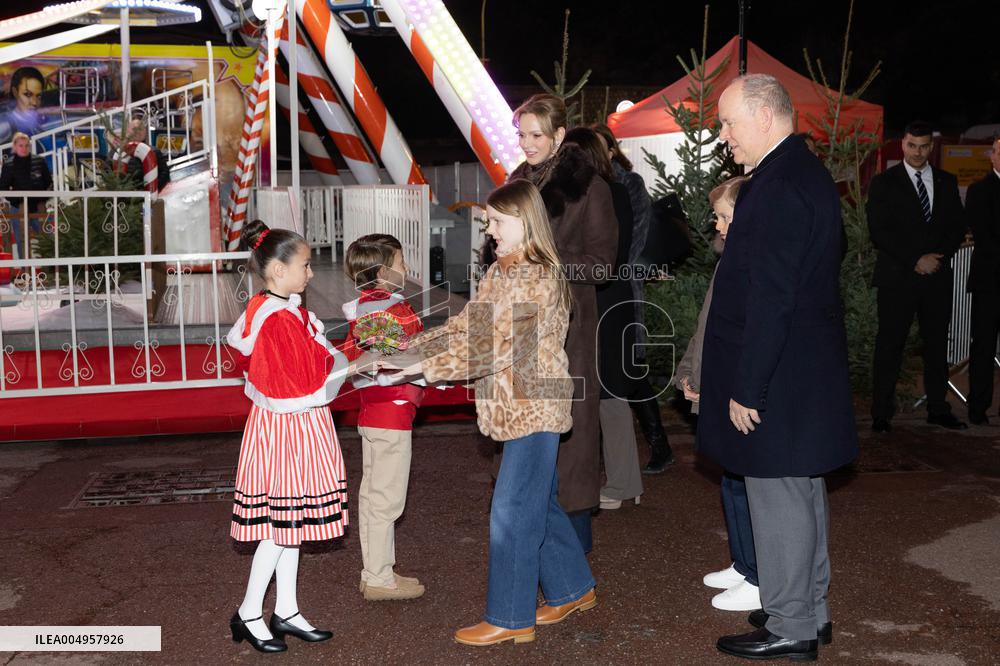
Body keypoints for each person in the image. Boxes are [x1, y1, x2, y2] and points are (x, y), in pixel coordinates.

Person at [380, 179, 596, 647]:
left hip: (532, 405)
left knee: (512, 512)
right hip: (517, 403)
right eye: (488, 221)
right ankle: (573, 589)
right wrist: (410, 350)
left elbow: (494, 347)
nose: (488, 229)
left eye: (497, 221)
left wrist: (420, 371)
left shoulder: (535, 277)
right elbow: (469, 327)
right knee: (537, 503)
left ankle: (512, 616)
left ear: (524, 221)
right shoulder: (503, 271)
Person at [699, 74, 858, 661]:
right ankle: (809, 614)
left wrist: (748, 385)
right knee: (801, 492)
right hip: (799, 370)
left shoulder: (779, 184)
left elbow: (772, 295)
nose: (723, 137)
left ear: (765, 117)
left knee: (779, 498)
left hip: (780, 375)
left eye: (729, 123)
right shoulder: (799, 174)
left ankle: (791, 625)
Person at [225, 220, 363, 654]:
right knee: (281, 525)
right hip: (291, 427)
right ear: (278, 270)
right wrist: (359, 357)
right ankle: (249, 611)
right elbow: (304, 376)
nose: (310, 273)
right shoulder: (279, 318)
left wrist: (354, 352)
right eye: (304, 265)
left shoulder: (277, 307)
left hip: (290, 425)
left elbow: (310, 361)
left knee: (291, 523)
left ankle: (285, 608)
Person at [508, 94, 618, 550]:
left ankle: (572, 555)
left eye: (536, 134)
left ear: (558, 136)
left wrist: (543, 259)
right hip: (521, 323)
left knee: (568, 440)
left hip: (568, 329)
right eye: (521, 134)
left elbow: (602, 264)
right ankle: (531, 539)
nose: (527, 143)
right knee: (526, 433)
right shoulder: (517, 181)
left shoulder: (589, 187)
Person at [673, 175, 761, 613]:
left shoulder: (748, 267)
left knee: (745, 484)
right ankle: (744, 564)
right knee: (731, 480)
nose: (717, 225)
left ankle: (759, 574)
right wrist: (689, 370)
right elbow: (706, 328)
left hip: (736, 389)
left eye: (723, 216)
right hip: (718, 381)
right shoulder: (727, 261)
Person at [340, 233, 427, 601]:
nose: (406, 269)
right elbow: (396, 356)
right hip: (390, 411)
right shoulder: (387, 311)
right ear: (382, 272)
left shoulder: (368, 307)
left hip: (376, 410)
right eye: (400, 262)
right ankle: (378, 578)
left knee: (375, 495)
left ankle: (378, 572)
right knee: (386, 499)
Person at [867, 121, 968, 433]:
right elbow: (879, 231)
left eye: (924, 146)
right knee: (890, 345)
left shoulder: (947, 181)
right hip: (898, 277)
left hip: (936, 276)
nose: (918, 152)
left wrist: (936, 259)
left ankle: (938, 408)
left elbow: (956, 226)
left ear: (931, 147)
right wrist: (915, 260)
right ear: (903, 145)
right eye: (912, 146)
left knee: (937, 346)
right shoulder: (884, 182)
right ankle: (881, 414)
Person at [561, 126, 643, 510]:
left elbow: (607, 258)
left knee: (607, 392)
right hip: (608, 298)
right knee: (603, 391)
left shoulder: (605, 193)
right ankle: (621, 481)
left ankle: (624, 482)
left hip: (605, 300)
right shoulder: (613, 192)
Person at [591, 121, 675, 474]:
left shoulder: (629, 184)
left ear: (612, 150)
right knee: (603, 369)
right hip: (598, 283)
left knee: (631, 368)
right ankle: (603, 455)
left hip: (622, 283)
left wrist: (614, 269)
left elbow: (637, 236)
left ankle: (659, 444)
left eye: (599, 148)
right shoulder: (592, 187)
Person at [965, 138, 1000, 425]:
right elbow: (985, 237)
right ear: (993, 156)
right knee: (984, 347)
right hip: (990, 282)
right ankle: (977, 408)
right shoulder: (979, 190)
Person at [0, 132, 52, 258]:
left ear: (30, 146)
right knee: (21, 240)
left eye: (26, 145)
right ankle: (25, 274)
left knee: (46, 238)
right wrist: (17, 199)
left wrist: (42, 198)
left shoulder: (39, 161)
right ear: (14, 147)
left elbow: (49, 183)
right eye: (21, 145)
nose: (24, 148)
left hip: (39, 206)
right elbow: (3, 188)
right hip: (18, 207)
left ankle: (50, 272)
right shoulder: (9, 165)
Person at [0, 67, 46, 142]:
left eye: (38, 96)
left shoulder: (36, 126)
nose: (34, 102)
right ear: (15, 92)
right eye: (27, 94)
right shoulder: (6, 125)